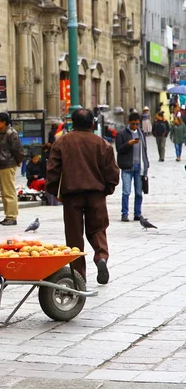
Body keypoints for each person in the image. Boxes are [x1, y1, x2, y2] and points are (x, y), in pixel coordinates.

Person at [46, 108, 119, 285]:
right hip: (96, 194)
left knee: (74, 235)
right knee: (98, 229)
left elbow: (52, 171)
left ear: (72, 122)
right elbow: (113, 173)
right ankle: (101, 257)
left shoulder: (62, 143)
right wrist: (106, 190)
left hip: (72, 195)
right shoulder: (102, 144)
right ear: (92, 124)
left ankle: (78, 275)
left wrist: (57, 192)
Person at [116, 112, 150, 222]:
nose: (135, 126)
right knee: (126, 192)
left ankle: (137, 214)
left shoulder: (141, 133)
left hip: (139, 167)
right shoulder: (122, 134)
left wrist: (146, 164)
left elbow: (144, 150)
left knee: (139, 193)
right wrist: (129, 144)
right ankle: (124, 214)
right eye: (133, 124)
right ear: (129, 122)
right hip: (127, 167)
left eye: (137, 124)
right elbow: (119, 150)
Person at [0, 112, 24, 226]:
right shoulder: (1, 133)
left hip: (8, 164)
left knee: (9, 191)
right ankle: (8, 215)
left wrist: (18, 161)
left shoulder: (11, 133)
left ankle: (12, 216)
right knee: (4, 191)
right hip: (2, 164)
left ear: (4, 122)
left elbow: (18, 150)